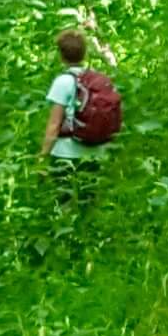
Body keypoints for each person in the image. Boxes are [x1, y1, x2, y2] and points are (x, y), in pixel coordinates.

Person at [39, 31, 121, 210]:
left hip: (65, 153)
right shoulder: (98, 80)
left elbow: (54, 124)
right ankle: (89, 234)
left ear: (61, 55)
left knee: (63, 203)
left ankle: (64, 235)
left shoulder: (63, 82)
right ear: (84, 53)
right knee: (88, 203)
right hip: (93, 152)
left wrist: (42, 157)